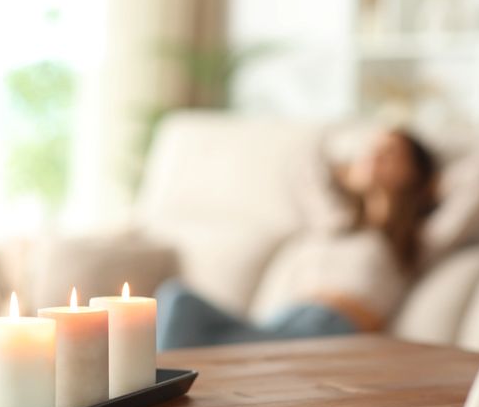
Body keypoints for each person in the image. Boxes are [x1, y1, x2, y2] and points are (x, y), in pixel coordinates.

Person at [156, 128, 438, 351]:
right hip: (284, 323)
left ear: (414, 172)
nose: (374, 155)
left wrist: (434, 186)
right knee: (178, 302)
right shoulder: (335, 222)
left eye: (390, 152)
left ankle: (152, 397)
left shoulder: (415, 237)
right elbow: (305, 162)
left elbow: (470, 188)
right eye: (371, 148)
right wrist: (344, 168)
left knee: (181, 308)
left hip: (329, 331)